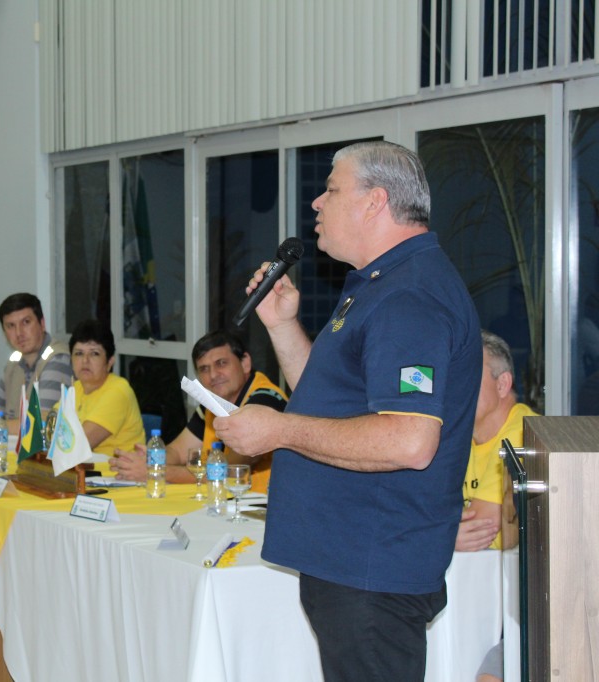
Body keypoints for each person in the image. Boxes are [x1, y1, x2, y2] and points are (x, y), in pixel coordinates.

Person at [213, 141, 481, 681]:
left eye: (332, 190)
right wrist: (283, 326)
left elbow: (409, 440)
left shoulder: (409, 296)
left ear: (374, 201)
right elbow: (330, 399)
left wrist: (280, 430)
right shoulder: (380, 283)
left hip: (372, 566)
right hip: (352, 561)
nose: (317, 202)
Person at [109, 329, 286, 491]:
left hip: (265, 506)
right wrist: (152, 459)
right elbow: (178, 451)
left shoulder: (266, 400)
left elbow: (229, 470)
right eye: (204, 369)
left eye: (221, 363)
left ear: (245, 363)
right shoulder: (212, 403)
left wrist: (155, 471)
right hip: (226, 499)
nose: (213, 375)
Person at [456, 330, 539, 553]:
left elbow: (484, 530)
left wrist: (435, 536)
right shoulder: (453, 434)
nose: (454, 387)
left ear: (502, 385)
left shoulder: (525, 434)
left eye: (468, 375)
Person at [0, 293, 73, 433]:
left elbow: (40, 423)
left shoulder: (58, 359)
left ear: (42, 324)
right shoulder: (15, 361)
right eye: (11, 326)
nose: (19, 333)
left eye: (26, 322)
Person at [68, 319, 145, 456]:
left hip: (114, 468)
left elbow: (77, 444)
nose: (85, 360)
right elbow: (49, 430)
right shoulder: (76, 388)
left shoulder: (118, 391)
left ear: (110, 362)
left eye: (94, 354)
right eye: (79, 353)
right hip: (82, 467)